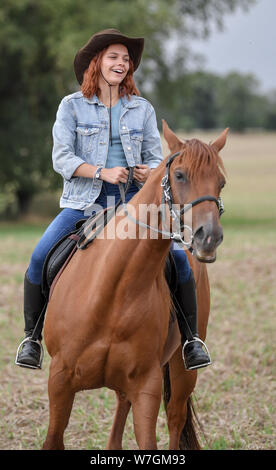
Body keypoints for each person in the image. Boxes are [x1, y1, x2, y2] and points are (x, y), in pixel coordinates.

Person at [15, 28, 211, 370]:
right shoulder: (71, 107)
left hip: (138, 201)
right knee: (39, 258)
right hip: (83, 202)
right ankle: (31, 339)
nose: (121, 63)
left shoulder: (142, 109)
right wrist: (100, 171)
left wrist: (145, 172)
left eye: (126, 59)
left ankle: (192, 340)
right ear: (97, 63)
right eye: (113, 57)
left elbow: (156, 158)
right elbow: (61, 159)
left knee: (180, 260)